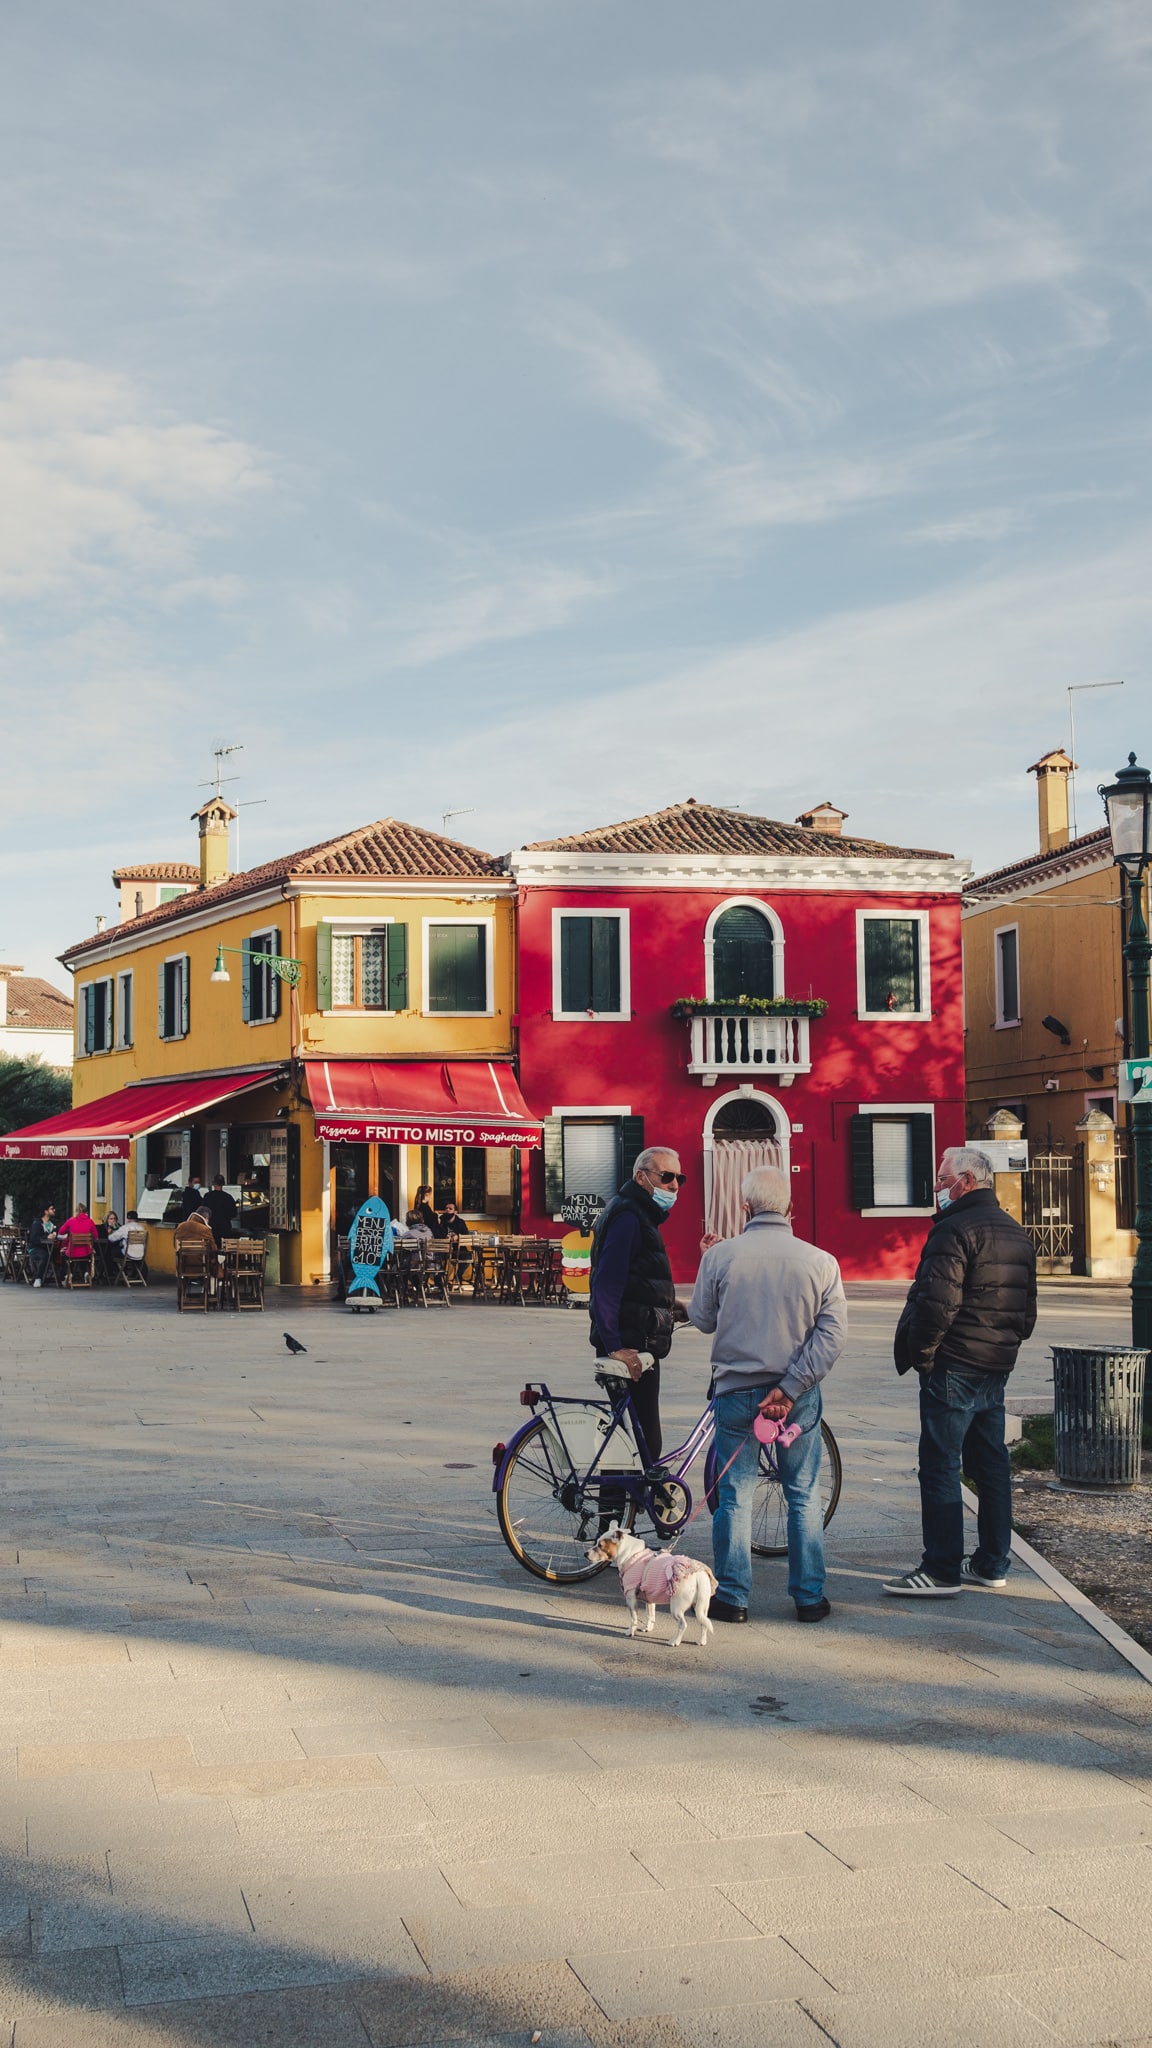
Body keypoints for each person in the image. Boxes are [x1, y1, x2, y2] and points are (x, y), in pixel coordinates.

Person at [687, 1166, 847, 1625]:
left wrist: (708, 1263)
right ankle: (809, 1598)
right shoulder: (821, 1261)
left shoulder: (721, 1257)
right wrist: (791, 1386)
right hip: (797, 1397)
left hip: (736, 1392)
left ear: (745, 1207)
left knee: (735, 1495)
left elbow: (702, 1319)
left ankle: (732, 1596)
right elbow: (832, 1336)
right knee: (803, 1493)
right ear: (790, 1207)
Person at [884, 1145, 1037, 1598]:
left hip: (954, 1365)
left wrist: (924, 1355)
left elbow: (937, 1303)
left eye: (942, 1180)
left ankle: (941, 1569)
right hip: (995, 1365)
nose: (936, 1187)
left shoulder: (953, 1229)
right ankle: (992, 1562)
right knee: (991, 1467)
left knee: (940, 1466)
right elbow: (1027, 1314)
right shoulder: (1016, 1232)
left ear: (966, 1182)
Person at [588, 1144, 687, 1464]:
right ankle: (620, 1498)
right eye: (667, 1176)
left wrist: (669, 1304)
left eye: (679, 1178)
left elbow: (635, 1278)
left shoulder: (636, 1213)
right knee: (643, 1441)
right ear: (641, 1177)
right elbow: (607, 1282)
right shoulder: (629, 1217)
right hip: (631, 1343)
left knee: (629, 1438)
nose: (674, 1185)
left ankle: (619, 1496)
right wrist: (614, 1346)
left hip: (635, 1334)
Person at [57, 1203, 99, 1267]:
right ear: (86, 1212)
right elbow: (96, 1237)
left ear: (76, 1212)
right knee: (87, 1254)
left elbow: (60, 1232)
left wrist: (69, 1230)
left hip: (71, 1253)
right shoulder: (90, 1222)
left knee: (63, 1252)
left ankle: (69, 1271)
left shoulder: (71, 1221)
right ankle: (85, 1271)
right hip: (86, 1253)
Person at [27, 1203, 56, 1287]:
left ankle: (64, 1277)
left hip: (48, 1248)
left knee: (62, 1254)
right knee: (44, 1256)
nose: (54, 1210)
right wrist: (47, 1237)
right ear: (46, 1211)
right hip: (35, 1248)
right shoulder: (37, 1224)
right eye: (52, 1209)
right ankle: (38, 1278)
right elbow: (34, 1239)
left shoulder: (52, 1224)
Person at [205, 1175, 238, 1243]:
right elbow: (234, 1213)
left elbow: (203, 1213)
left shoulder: (207, 1196)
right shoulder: (228, 1197)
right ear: (223, 1184)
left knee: (212, 1247)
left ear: (213, 1183)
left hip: (211, 1228)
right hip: (225, 1228)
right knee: (224, 1248)